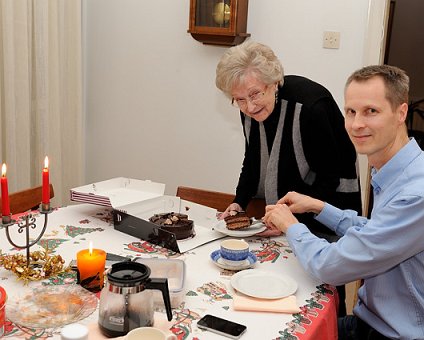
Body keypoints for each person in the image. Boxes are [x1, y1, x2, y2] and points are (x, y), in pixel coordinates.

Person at [263, 65, 424, 339]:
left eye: (371, 111)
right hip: (367, 321)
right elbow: (378, 230)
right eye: (350, 112)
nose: (356, 124)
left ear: (401, 113)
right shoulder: (399, 170)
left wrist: (291, 226)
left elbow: (329, 267)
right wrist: (320, 207)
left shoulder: (416, 193)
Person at [215, 40, 362, 316]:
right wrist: (239, 202)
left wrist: (291, 223)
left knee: (321, 288)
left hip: (329, 206)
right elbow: (253, 159)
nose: (248, 106)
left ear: (275, 82)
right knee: (282, 285)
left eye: (255, 94)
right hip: (287, 214)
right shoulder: (249, 107)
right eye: (239, 99)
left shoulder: (312, 106)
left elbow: (330, 176)